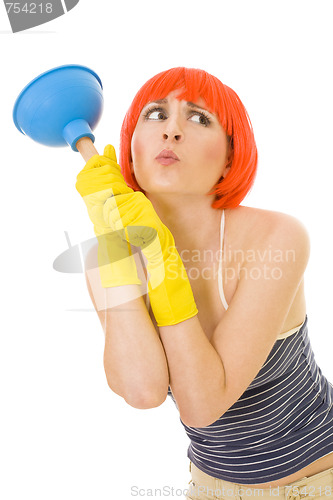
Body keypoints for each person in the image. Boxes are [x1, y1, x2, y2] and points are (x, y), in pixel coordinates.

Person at [75, 67, 333, 499]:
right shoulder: (107, 260)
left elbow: (202, 405)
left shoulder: (277, 237)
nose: (171, 130)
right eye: (155, 115)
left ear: (231, 156)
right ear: (130, 149)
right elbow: (142, 389)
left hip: (318, 482)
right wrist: (116, 249)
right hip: (211, 487)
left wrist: (160, 257)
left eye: (198, 119)